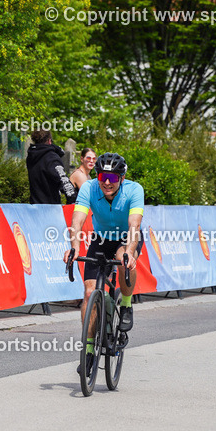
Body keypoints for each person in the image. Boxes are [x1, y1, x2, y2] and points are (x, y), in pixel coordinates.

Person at [65, 152, 143, 375]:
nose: (107, 182)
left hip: (125, 238)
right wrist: (74, 247)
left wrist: (129, 252)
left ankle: (126, 305)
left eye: (112, 177)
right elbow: (77, 220)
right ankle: (89, 352)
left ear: (121, 177)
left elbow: (134, 225)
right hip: (101, 239)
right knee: (89, 294)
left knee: (124, 260)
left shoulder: (134, 190)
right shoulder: (89, 188)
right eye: (102, 177)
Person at [26, 129, 77, 204]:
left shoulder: (31, 157)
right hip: (51, 208)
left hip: (34, 206)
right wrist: (72, 200)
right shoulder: (51, 157)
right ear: (49, 141)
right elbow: (63, 181)